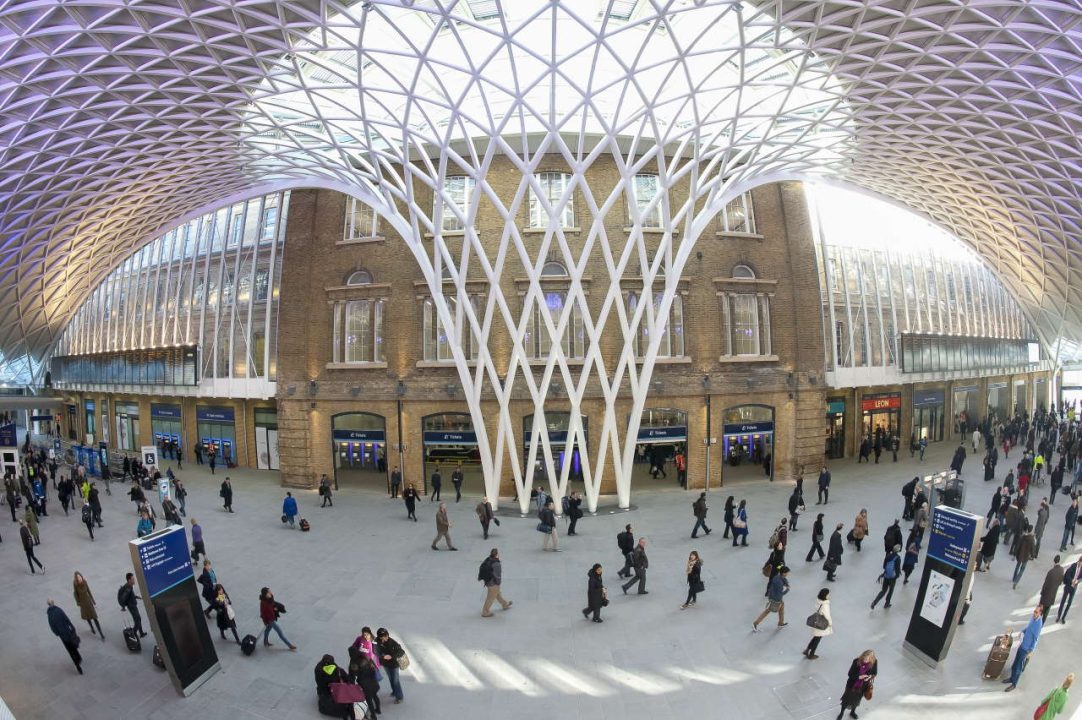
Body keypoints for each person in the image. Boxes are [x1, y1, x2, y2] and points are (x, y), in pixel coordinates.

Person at [1003, 604, 1044, 691]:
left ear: (1040, 613)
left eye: (1036, 612)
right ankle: (1011, 678)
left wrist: (1030, 650)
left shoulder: (1038, 625)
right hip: (1022, 644)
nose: (1034, 613)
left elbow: (1035, 639)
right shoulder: (1033, 618)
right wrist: (1022, 631)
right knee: (1015, 663)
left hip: (1026, 649)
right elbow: (1028, 628)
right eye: (1034, 611)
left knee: (1018, 667)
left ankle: (1014, 683)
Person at [314, 654, 358, 719]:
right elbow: (348, 681)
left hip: (327, 693)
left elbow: (319, 684)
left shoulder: (318, 669)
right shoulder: (339, 670)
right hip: (340, 692)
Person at [837, 650, 878, 719]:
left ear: (871, 659)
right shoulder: (856, 661)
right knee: (846, 700)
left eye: (868, 659)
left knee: (857, 700)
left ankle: (852, 712)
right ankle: (841, 713)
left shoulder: (874, 662)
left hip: (863, 686)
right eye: (864, 658)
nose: (865, 660)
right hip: (852, 685)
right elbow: (850, 674)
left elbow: (874, 673)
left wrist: (869, 677)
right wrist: (859, 677)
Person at [46, 599, 82, 674]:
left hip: (62, 635)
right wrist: (72, 626)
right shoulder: (59, 610)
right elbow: (66, 619)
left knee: (69, 649)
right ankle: (78, 658)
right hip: (67, 632)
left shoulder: (49, 615)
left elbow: (52, 626)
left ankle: (76, 664)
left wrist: (57, 633)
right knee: (73, 646)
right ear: (53, 603)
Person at [752, 565, 789, 631]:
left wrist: (786, 583)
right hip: (776, 600)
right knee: (767, 611)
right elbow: (780, 594)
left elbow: (783, 579)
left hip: (771, 596)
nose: (787, 574)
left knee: (781, 609)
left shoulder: (777, 577)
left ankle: (781, 623)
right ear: (783, 573)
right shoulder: (779, 583)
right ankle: (755, 623)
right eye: (787, 573)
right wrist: (787, 590)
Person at [374, 628, 406, 704]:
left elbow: (401, 652)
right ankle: (394, 691)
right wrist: (383, 656)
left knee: (395, 681)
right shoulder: (376, 642)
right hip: (385, 664)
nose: (385, 638)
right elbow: (375, 651)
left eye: (386, 635)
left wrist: (392, 656)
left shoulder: (392, 642)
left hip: (394, 664)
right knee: (391, 678)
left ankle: (399, 697)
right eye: (382, 636)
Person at [480, 547, 512, 617]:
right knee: (491, 598)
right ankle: (485, 612)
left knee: (497, 594)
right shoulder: (496, 564)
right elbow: (497, 575)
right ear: (497, 554)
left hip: (488, 582)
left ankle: (505, 604)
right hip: (493, 583)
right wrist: (498, 583)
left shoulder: (488, 559)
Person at [802, 587, 832, 659]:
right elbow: (827, 615)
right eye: (828, 594)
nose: (829, 595)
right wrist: (830, 623)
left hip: (817, 620)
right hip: (822, 623)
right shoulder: (825, 605)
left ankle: (807, 650)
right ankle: (811, 654)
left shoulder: (819, 601)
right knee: (817, 639)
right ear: (825, 595)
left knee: (816, 637)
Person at [73, 571, 103, 640]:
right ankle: (91, 627)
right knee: (88, 618)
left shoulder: (85, 582)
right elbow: (75, 594)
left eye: (80, 576)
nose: (79, 578)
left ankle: (101, 633)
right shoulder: (75, 584)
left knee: (95, 617)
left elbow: (89, 592)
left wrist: (93, 601)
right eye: (78, 577)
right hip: (83, 604)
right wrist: (78, 603)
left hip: (88, 602)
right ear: (76, 578)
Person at [870, 545, 901, 609]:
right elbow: (897, 569)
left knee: (883, 591)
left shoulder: (888, 556)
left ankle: (874, 602)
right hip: (892, 578)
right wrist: (896, 576)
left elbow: (884, 566)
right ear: (898, 550)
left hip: (886, 576)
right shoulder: (898, 558)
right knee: (890, 591)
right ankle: (887, 604)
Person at [117, 573, 145, 637]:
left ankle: (141, 633)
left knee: (138, 619)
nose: (134, 580)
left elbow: (129, 596)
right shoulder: (128, 588)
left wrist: (137, 597)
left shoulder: (129, 586)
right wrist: (123, 607)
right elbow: (123, 598)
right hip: (132, 607)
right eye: (133, 579)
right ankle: (133, 633)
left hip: (133, 605)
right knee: (137, 621)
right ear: (129, 580)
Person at [1039, 555, 1065, 623]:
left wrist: (1042, 592)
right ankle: (1042, 623)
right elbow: (1060, 582)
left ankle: (1038, 624)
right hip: (1053, 594)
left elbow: (1045, 584)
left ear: (1054, 561)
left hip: (1045, 595)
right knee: (1046, 612)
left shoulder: (1051, 571)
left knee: (1040, 611)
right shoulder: (1062, 570)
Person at [1012, 523, 1036, 589]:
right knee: (1022, 570)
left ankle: (1014, 578)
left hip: (1020, 555)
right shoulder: (1032, 539)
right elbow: (1033, 549)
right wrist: (1033, 556)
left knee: (1017, 566)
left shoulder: (1022, 537)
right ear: (1031, 531)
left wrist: (1014, 554)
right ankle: (1016, 582)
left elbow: (1017, 545)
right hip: (1026, 557)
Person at [1056, 557, 1079, 623]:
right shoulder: (1073, 566)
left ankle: (1063, 618)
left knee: (1069, 603)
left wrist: (1077, 581)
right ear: (1079, 562)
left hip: (1074, 588)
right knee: (1063, 601)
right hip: (1068, 586)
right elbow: (1067, 575)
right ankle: (1059, 616)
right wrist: (1072, 581)